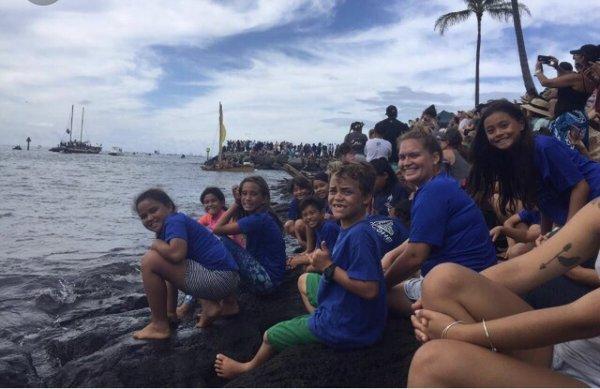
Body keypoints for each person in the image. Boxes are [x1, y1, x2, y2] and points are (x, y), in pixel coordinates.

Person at [214, 162, 386, 379]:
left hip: (348, 328)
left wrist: (329, 267)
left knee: (269, 335)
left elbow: (370, 289)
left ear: (366, 197)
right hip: (354, 316)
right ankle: (318, 319)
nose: (337, 197)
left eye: (347, 191)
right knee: (304, 280)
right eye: (333, 191)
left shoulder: (360, 236)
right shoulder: (350, 226)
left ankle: (246, 367)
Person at [408, 200, 600, 387]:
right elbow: (522, 269)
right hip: (574, 348)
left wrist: (456, 332)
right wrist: (429, 298)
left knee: (432, 363)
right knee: (442, 282)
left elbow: (582, 320)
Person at [468, 99, 600, 304]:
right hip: (580, 217)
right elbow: (543, 201)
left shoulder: (543, 146)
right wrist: (546, 236)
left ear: (521, 123)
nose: (498, 133)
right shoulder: (512, 162)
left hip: (594, 203)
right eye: (491, 130)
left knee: (556, 279)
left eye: (504, 125)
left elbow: (580, 187)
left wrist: (565, 237)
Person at [383, 130, 496, 316]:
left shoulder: (433, 192)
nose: (405, 162)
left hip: (459, 287)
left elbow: (415, 256)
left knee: (376, 294)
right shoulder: (441, 184)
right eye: (402, 157)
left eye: (414, 155)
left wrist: (382, 284)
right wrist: (391, 254)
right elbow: (420, 237)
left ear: (435, 157)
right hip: (474, 277)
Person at [132, 189, 240, 339]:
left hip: (218, 279)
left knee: (149, 261)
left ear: (169, 206)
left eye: (153, 210)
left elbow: (176, 255)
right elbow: (173, 267)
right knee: (164, 262)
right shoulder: (176, 221)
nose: (149, 218)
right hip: (229, 280)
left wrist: (156, 244)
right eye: (143, 216)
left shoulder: (173, 221)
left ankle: (159, 325)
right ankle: (211, 306)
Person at [176, 187, 245, 320]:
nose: (209, 204)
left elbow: (231, 241)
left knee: (199, 266)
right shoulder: (208, 218)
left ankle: (186, 306)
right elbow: (193, 230)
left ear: (222, 202)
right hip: (220, 259)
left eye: (213, 201)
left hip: (232, 258)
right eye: (206, 202)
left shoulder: (227, 217)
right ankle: (203, 303)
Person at [213, 176, 286, 294]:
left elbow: (217, 229)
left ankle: (225, 295)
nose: (247, 198)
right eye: (244, 193)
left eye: (253, 194)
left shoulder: (259, 219)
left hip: (268, 281)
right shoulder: (263, 216)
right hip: (270, 278)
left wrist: (236, 203)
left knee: (218, 240)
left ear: (264, 198)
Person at [535, 44, 599, 149]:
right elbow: (568, 77)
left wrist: (538, 70)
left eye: (576, 55)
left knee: (565, 153)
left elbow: (545, 82)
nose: (573, 57)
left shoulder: (576, 78)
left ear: (583, 57)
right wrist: (556, 66)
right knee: (577, 152)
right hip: (579, 117)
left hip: (568, 119)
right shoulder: (590, 79)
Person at [287, 196, 340, 271]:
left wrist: (303, 263)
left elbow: (331, 259)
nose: (308, 217)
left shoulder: (328, 228)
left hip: (338, 267)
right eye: (305, 215)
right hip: (328, 262)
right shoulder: (319, 227)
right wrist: (298, 258)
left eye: (312, 213)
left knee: (306, 269)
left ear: (322, 213)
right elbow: (316, 250)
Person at [283, 176, 313, 247]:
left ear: (308, 189)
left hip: (315, 226)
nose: (299, 192)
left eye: (302, 189)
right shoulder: (295, 202)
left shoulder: (313, 200)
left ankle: (312, 245)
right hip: (305, 227)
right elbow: (292, 220)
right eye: (296, 190)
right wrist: (299, 240)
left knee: (299, 223)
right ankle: (305, 244)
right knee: (288, 224)